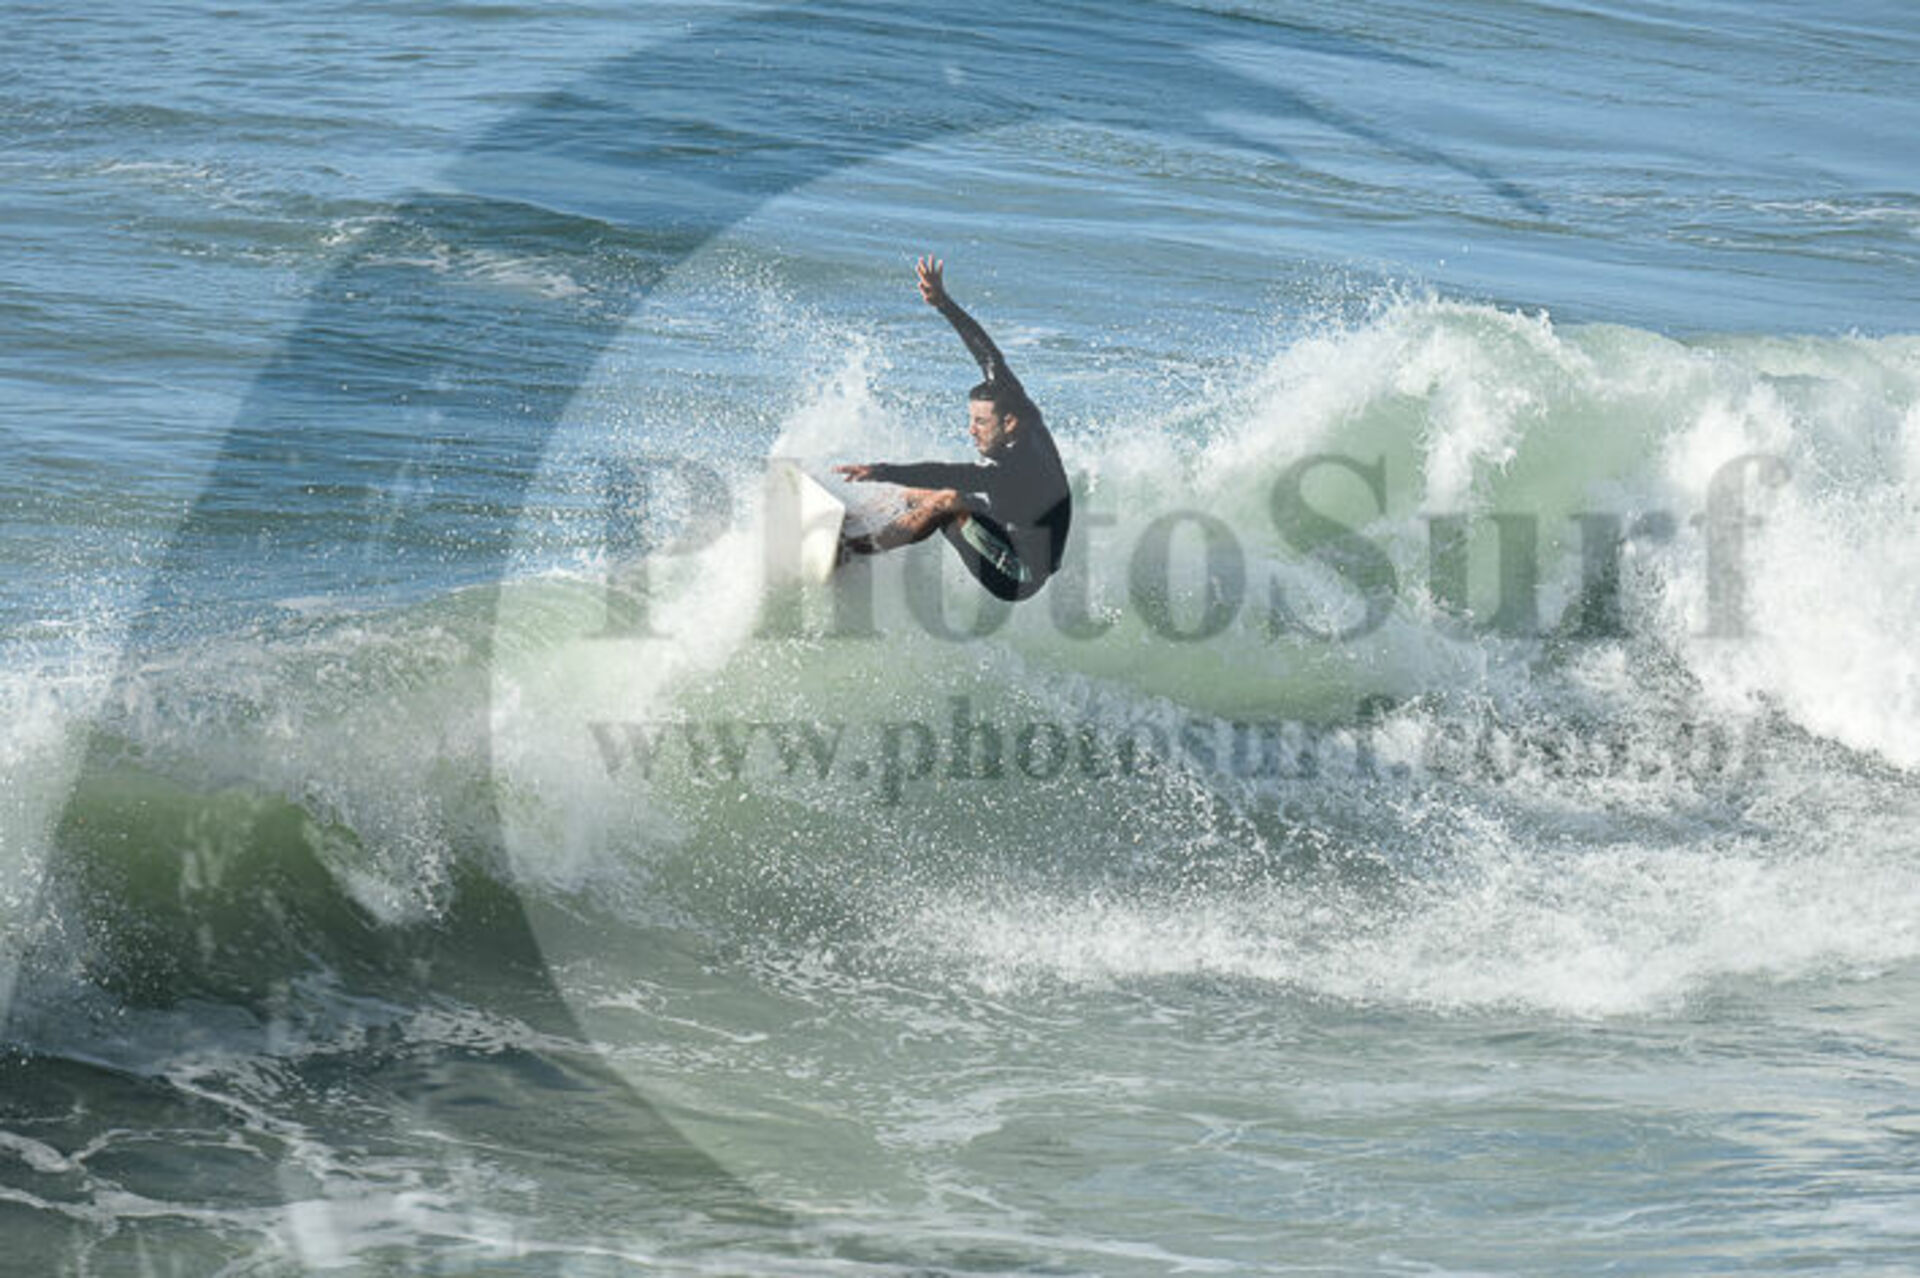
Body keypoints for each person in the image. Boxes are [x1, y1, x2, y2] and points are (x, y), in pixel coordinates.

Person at [833, 257, 1071, 602]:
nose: (971, 431)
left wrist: (880, 470)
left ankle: (850, 552)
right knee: (916, 494)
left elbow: (954, 474)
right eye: (971, 420)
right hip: (1003, 532)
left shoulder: (1017, 466)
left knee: (947, 499)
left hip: (1019, 573)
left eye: (981, 422)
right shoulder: (1018, 408)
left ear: (1009, 423)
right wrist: (944, 303)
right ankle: (852, 521)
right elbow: (989, 357)